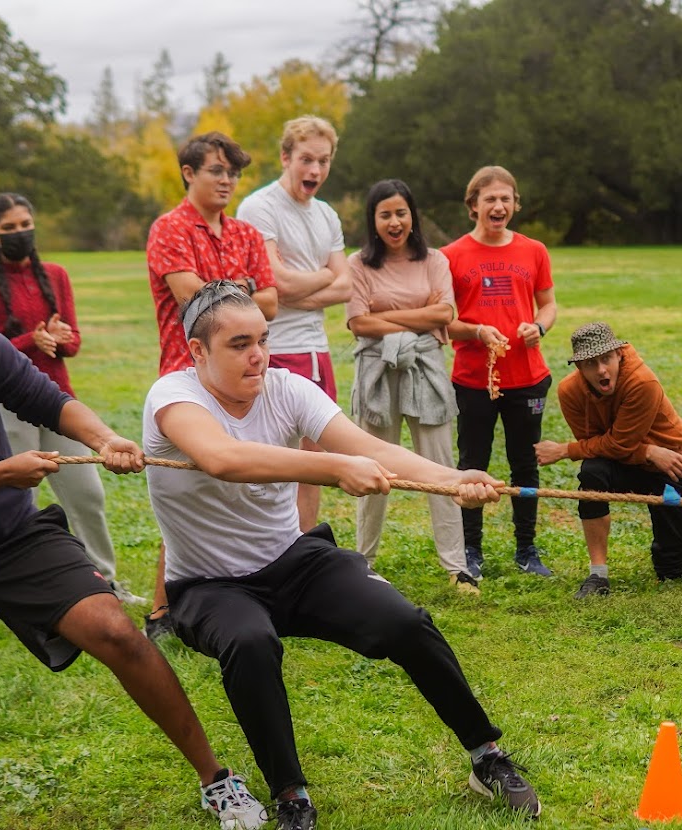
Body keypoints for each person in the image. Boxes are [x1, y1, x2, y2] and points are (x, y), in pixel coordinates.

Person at [0, 250, 266, 830]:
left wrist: (105, 436)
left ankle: (216, 779)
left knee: (116, 631)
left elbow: (44, 398)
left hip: (10, 534)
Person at [143, 281, 542, 829]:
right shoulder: (173, 396)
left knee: (404, 621)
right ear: (197, 352)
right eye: (238, 344)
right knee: (250, 642)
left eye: (262, 338)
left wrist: (451, 480)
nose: (257, 355)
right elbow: (222, 458)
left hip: (294, 563)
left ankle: (485, 756)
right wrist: (332, 468)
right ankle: (291, 795)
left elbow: (372, 449)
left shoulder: (287, 388)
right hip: (211, 586)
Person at [0, 192, 141, 605]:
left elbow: (72, 341)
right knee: (19, 501)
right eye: (9, 228)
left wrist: (60, 338)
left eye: (25, 224)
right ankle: (16, 589)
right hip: (7, 408)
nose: (20, 233)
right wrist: (30, 340)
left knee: (87, 494)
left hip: (57, 402)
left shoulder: (56, 275)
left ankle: (106, 583)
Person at [143, 131, 279, 640]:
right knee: (185, 491)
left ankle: (256, 590)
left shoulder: (245, 233)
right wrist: (242, 293)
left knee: (253, 484)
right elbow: (192, 302)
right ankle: (163, 610)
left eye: (233, 173)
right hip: (188, 381)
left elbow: (271, 301)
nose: (227, 181)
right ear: (188, 173)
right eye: (216, 171)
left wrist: (234, 294)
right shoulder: (169, 229)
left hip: (243, 375)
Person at [344, 179, 474, 592]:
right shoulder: (358, 265)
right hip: (376, 373)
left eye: (401, 212)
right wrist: (419, 317)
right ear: (374, 220)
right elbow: (358, 323)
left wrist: (391, 321)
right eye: (385, 214)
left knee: (441, 467)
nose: (394, 222)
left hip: (425, 371)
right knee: (370, 468)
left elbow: (446, 311)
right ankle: (363, 562)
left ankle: (457, 566)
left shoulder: (435, 260)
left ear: (412, 216)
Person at [235, 116, 351, 531]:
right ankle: (265, 551)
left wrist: (301, 286)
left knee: (314, 459)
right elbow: (275, 283)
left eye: (323, 161)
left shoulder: (326, 214)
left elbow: (348, 284)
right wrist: (322, 275)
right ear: (286, 158)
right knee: (273, 462)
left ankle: (303, 552)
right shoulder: (259, 207)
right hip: (275, 347)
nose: (315, 171)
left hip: (318, 350)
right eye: (306, 159)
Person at [443, 165, 557, 579]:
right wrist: (475, 330)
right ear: (473, 206)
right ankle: (471, 550)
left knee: (525, 463)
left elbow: (548, 305)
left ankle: (527, 549)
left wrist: (538, 326)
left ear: (515, 205)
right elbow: (444, 321)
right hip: (474, 379)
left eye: (506, 198)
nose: (498, 205)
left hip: (526, 377)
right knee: (473, 462)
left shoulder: (534, 251)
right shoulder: (451, 256)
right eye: (490, 199)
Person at [534, 322, 682, 598]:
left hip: (672, 464)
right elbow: (598, 448)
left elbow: (618, 443)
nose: (601, 370)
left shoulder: (641, 382)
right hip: (630, 462)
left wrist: (565, 450)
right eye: (590, 363)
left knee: (672, 570)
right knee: (593, 472)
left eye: (606, 359)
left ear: (619, 355)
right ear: (579, 368)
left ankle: (671, 556)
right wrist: (648, 451)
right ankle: (597, 575)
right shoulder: (570, 392)